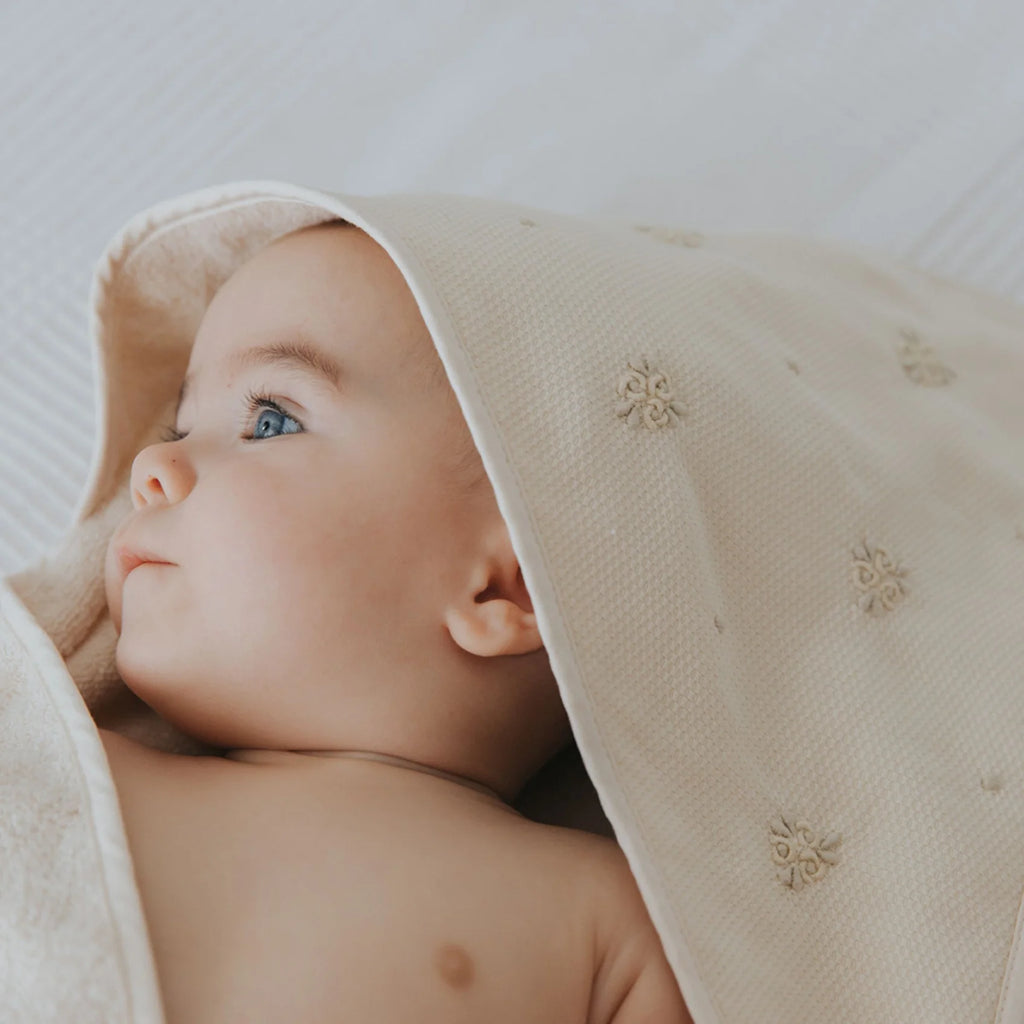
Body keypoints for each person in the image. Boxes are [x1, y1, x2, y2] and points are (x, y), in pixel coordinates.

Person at [98, 220, 693, 1023]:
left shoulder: (612, 923)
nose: (151, 466)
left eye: (270, 419)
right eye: (179, 429)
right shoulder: (77, 764)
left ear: (505, 588)